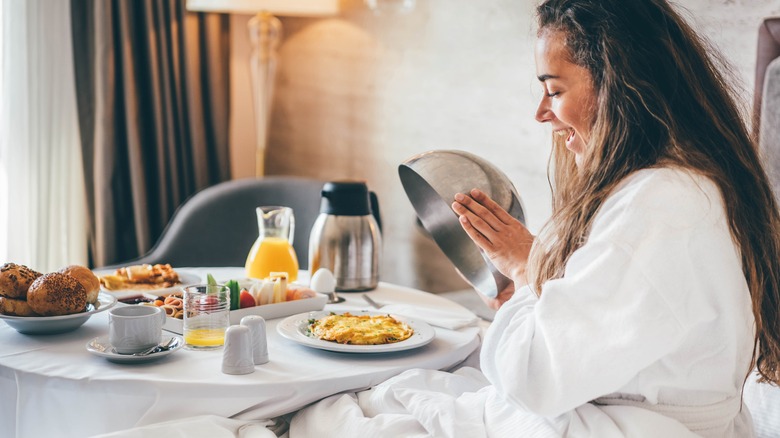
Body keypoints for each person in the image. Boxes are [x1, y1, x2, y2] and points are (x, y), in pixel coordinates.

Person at [289, 0, 780, 436]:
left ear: (620, 86)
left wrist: (528, 269)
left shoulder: (661, 205)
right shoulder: (686, 185)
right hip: (636, 410)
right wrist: (527, 286)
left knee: (331, 413)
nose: (541, 113)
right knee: (390, 393)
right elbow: (609, 320)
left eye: (555, 89)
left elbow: (535, 380)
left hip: (628, 424)